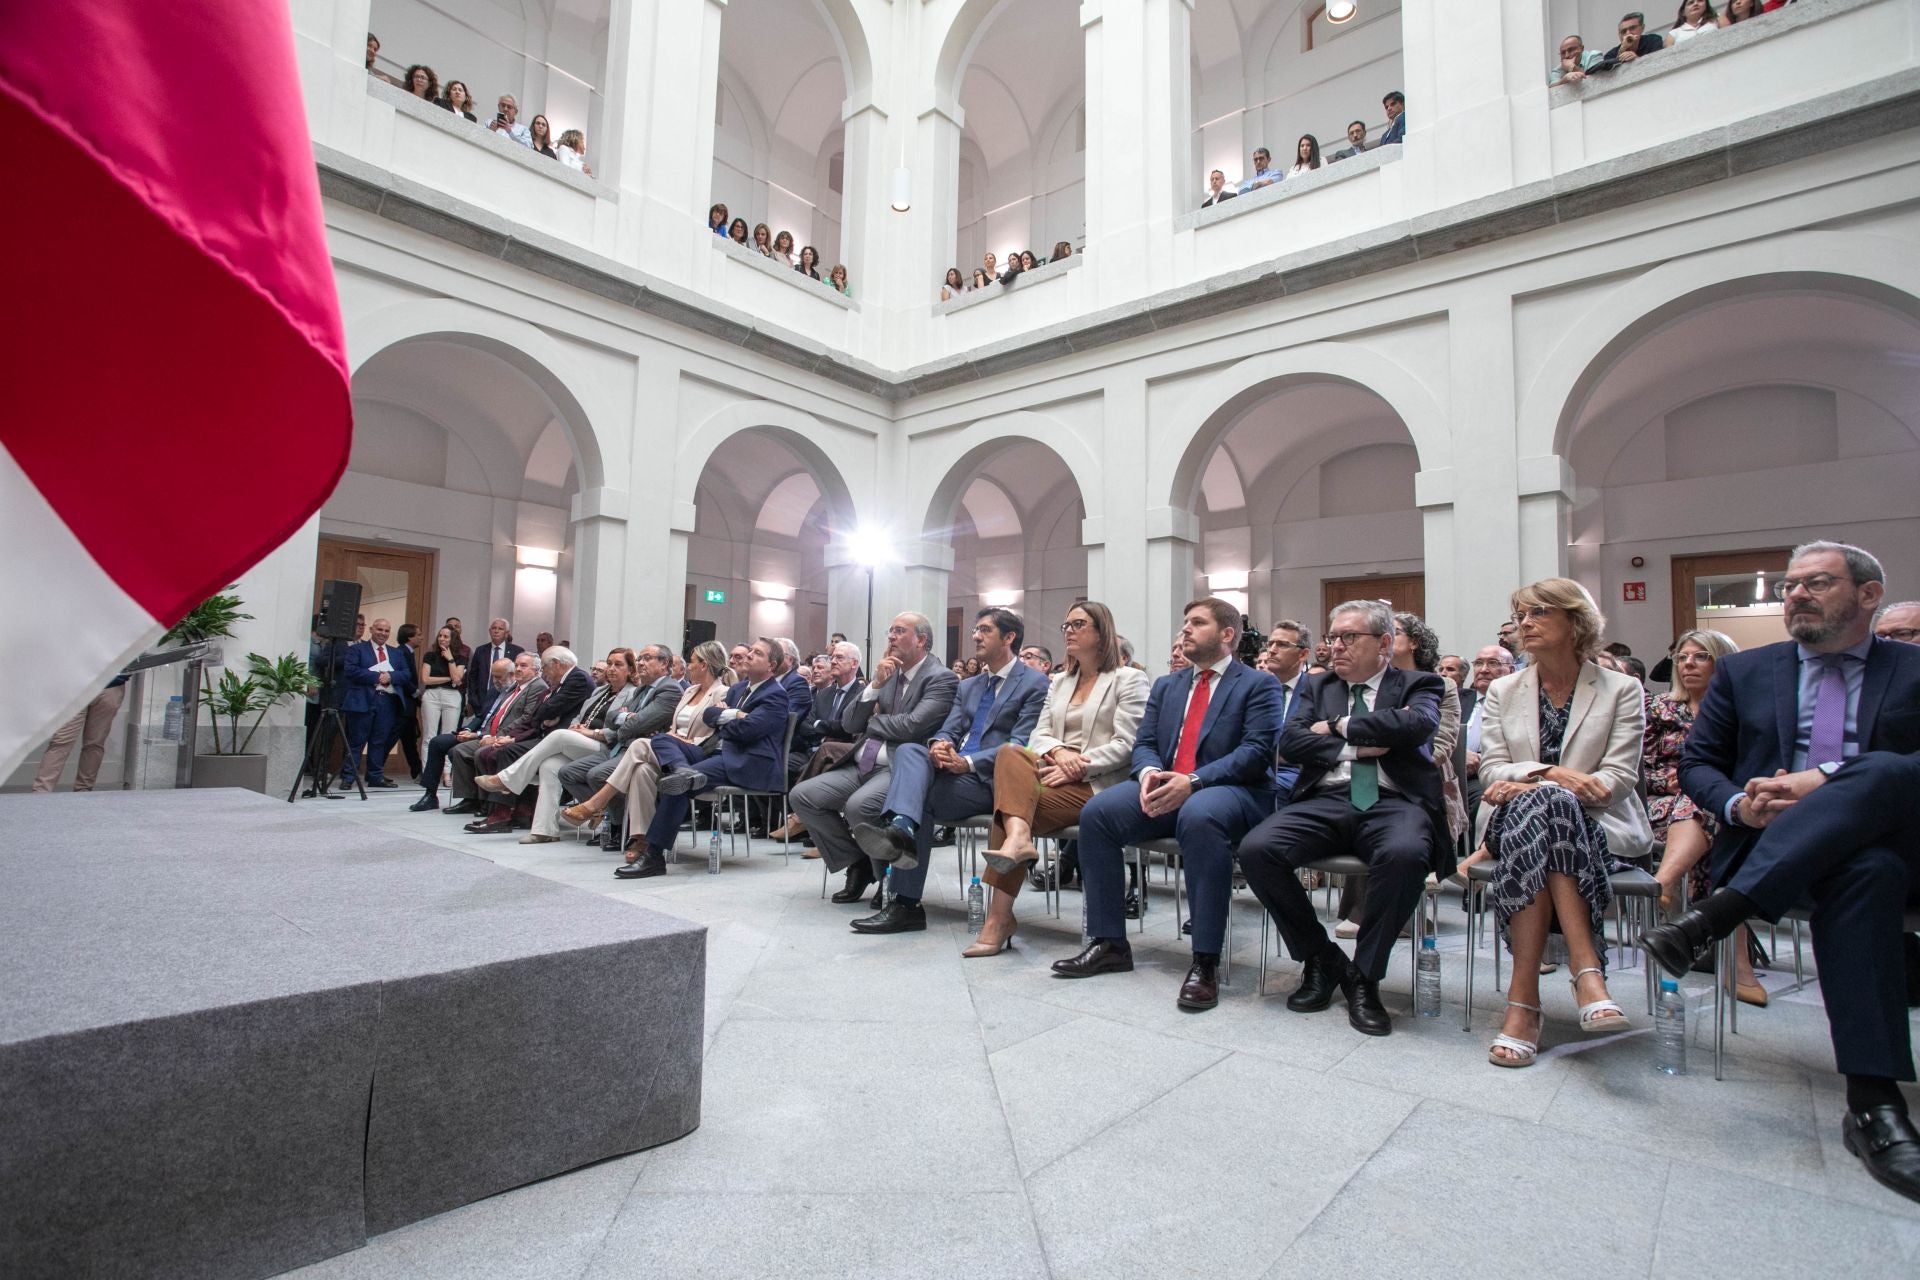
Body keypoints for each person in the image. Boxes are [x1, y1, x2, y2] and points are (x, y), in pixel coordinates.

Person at [1640, 542, 1920, 1202]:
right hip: (1772, 843)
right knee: (1866, 875)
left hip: (1889, 842)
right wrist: (1740, 802)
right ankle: (1875, 1104)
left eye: (1817, 583)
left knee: (1879, 784)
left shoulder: (1911, 670)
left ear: (1868, 596)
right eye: (1791, 585)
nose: (1794, 594)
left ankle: (1716, 916)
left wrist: (1817, 780)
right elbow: (1699, 765)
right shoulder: (1751, 673)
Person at [1053, 598, 1281, 1012]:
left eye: (1197, 623)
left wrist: (1192, 781)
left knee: (1200, 815)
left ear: (1227, 634)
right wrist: (1147, 776)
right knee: (1099, 813)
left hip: (1232, 791)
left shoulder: (1257, 684)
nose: (1185, 631)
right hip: (1167, 784)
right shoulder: (1168, 685)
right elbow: (1145, 745)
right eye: (1184, 622)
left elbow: (1256, 752)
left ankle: (1205, 960)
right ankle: (1109, 942)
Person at [1238, 603, 1449, 1037]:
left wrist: (1335, 727)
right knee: (1257, 850)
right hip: (1326, 799)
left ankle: (1365, 978)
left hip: (1395, 801)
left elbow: (1414, 726)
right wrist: (1355, 748)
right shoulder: (1319, 687)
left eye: (1349, 637)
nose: (1335, 646)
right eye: (1333, 637)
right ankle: (1322, 958)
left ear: (1385, 643)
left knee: (1406, 855)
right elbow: (1291, 742)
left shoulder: (1419, 682)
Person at [1478, 579, 1652, 1067]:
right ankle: (1586, 970)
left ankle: (1523, 1004)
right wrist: (1550, 774)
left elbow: (1614, 780)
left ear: (1576, 623)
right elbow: (1492, 771)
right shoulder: (1503, 690)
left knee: (1550, 808)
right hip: (1509, 821)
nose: (1524, 624)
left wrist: (1535, 785)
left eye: (1539, 614)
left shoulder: (1622, 689)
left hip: (1600, 825)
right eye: (1521, 615)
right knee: (1550, 802)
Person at [961, 602, 1148, 956]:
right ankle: (1018, 839)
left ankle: (998, 918)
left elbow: (1127, 744)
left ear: (1101, 631)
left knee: (1010, 809)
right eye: (1065, 626)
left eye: (1078, 624)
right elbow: (1039, 734)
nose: (1069, 631)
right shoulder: (1060, 682)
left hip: (1097, 784)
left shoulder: (1129, 679)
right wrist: (1060, 754)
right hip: (1051, 773)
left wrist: (1078, 764)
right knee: (1010, 753)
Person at [848, 608, 1050, 934]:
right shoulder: (969, 685)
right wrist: (940, 744)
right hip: (953, 774)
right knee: (914, 750)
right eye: (975, 630)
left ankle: (904, 899)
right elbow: (949, 729)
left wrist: (968, 762)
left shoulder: (1034, 684)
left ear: (1009, 637)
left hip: (993, 780)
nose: (975, 636)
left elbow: (1020, 746)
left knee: (918, 801)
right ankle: (901, 829)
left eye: (984, 630)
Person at [790, 612, 959, 906]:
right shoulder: (888, 673)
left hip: (899, 768)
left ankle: (887, 880)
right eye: (890, 631)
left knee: (859, 807)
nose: (891, 637)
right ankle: (858, 862)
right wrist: (876, 685)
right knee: (803, 796)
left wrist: (874, 722)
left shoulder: (940, 678)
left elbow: (913, 727)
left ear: (921, 640)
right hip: (863, 762)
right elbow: (850, 724)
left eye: (899, 631)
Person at [1640, 630, 1765, 1000]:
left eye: (1701, 656)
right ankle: (1738, 966)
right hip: (1661, 805)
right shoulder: (1661, 709)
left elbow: (1752, 767)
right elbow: (1642, 770)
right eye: (1682, 657)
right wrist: (1691, 782)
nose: (1688, 664)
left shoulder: (1745, 711)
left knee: (1712, 806)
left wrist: (1706, 786)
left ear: (1722, 662)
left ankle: (1662, 882)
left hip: (1724, 808)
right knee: (1707, 806)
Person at [562, 642, 729, 878]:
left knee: (641, 744)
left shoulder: (721, 693)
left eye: (691, 662)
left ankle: (596, 803)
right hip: (671, 745)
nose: (688, 666)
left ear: (704, 664)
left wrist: (681, 740)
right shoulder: (690, 691)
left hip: (695, 751)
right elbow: (616, 719)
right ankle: (642, 840)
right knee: (641, 770)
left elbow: (716, 734)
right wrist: (668, 735)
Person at [635, 637, 790, 865]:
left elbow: (748, 731)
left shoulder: (776, 694)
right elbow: (709, 716)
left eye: (757, 653)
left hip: (745, 761)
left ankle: (653, 857)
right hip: (715, 752)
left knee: (678, 786)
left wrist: (727, 715)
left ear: (771, 665)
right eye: (751, 650)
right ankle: (684, 770)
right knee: (661, 740)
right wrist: (733, 715)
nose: (749, 655)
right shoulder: (738, 689)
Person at [475, 649, 641, 842]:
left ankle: (508, 779)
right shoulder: (599, 691)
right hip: (581, 741)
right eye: (610, 663)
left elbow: (625, 729)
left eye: (618, 665)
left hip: (606, 746)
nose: (611, 669)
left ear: (630, 670)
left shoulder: (632, 694)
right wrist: (576, 726)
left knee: (559, 735)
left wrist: (592, 732)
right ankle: (545, 830)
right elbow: (580, 716)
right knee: (550, 765)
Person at [553, 644, 681, 850]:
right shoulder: (641, 689)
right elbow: (612, 719)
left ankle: (618, 826)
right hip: (620, 746)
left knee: (596, 775)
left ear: (664, 664)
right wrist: (626, 720)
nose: (641, 662)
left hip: (641, 751)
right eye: (640, 658)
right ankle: (604, 812)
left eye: (647, 658)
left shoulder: (670, 689)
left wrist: (626, 721)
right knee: (567, 772)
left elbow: (637, 723)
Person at [454, 648, 593, 830]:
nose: (543, 672)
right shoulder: (560, 683)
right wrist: (513, 735)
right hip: (547, 735)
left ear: (557, 664)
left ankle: (501, 813)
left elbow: (546, 711)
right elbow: (539, 715)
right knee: (494, 751)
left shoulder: (577, 678)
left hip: (560, 739)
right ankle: (518, 811)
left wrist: (538, 723)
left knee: (505, 752)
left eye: (544, 667)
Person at [442, 653, 547, 814]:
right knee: (460, 750)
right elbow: (496, 713)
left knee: (481, 753)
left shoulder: (537, 686)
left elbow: (526, 718)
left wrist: (497, 737)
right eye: (517, 665)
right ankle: (470, 799)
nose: (518, 669)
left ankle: (488, 803)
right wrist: (484, 735)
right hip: (491, 734)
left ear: (537, 669)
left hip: (510, 737)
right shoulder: (517, 686)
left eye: (523, 666)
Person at [413, 658, 513, 811]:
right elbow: (481, 716)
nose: (495, 681)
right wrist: (468, 730)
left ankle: (470, 799)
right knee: (437, 742)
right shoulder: (495, 689)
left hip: (490, 736)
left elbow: (504, 725)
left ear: (511, 675)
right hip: (476, 732)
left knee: (456, 751)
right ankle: (430, 795)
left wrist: (477, 734)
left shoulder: (514, 693)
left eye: (499, 677)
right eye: (493, 676)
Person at [339, 618, 416, 790]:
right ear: (372, 630)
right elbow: (350, 670)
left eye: (387, 631)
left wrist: (391, 677)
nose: (383, 633)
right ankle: (348, 776)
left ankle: (375, 776)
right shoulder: (357, 649)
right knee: (356, 741)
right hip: (363, 700)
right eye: (380, 629)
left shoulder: (396, 653)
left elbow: (406, 674)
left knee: (379, 741)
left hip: (386, 701)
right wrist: (377, 677)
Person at [32, 676, 130, 792]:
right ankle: (41, 792)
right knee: (61, 741)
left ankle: (83, 791)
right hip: (74, 688)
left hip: (111, 687)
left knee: (95, 743)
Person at [419, 625, 467, 741]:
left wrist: (450, 659)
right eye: (440, 636)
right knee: (429, 736)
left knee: (448, 736)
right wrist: (449, 679)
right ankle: (427, 760)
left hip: (452, 696)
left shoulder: (460, 658)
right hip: (432, 695)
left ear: (452, 639)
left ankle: (446, 760)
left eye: (446, 636)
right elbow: (425, 679)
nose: (442, 639)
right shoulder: (430, 655)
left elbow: (457, 679)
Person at [465, 618, 523, 715]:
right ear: (489, 631)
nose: (496, 631)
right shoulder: (480, 650)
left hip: (506, 699)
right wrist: (473, 699)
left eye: (500, 629)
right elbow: (472, 677)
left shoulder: (516, 651)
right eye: (494, 628)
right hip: (482, 700)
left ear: (506, 633)